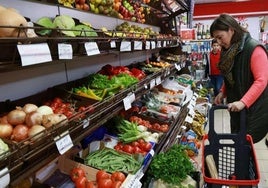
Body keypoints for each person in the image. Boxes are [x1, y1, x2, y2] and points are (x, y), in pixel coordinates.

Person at [210, 14, 268, 144]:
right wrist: (222, 92)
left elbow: (262, 80)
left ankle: (246, 164)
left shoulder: (254, 48)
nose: (218, 42)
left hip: (253, 109)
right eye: (215, 39)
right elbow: (232, 75)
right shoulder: (230, 50)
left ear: (231, 30)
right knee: (239, 142)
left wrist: (243, 102)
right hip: (237, 107)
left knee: (246, 145)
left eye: (220, 37)